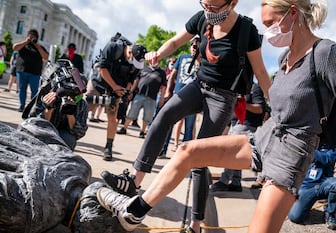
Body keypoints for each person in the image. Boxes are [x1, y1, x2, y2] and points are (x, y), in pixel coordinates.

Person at [97, 1, 336, 232]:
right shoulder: (285, 58)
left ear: (293, 13)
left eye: (270, 23)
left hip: (291, 153)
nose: (267, 32)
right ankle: (132, 212)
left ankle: (185, 218)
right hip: (263, 139)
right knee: (187, 151)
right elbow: (275, 100)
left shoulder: (327, 52)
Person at [101, 0, 271, 231]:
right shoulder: (201, 18)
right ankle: (134, 181)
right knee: (163, 116)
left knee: (198, 157)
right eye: (205, 5)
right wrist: (158, 54)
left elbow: (260, 71)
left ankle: (196, 223)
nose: (208, 11)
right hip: (199, 85)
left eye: (214, 7)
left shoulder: (246, 30)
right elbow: (174, 42)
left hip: (224, 96)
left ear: (232, 3)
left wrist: (277, 105)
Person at [88, 35, 146, 161]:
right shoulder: (113, 48)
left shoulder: (136, 62)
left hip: (116, 89)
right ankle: (71, 132)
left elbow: (131, 79)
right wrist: (115, 86)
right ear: (130, 52)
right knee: (83, 108)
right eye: (134, 60)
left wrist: (125, 90)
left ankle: (108, 147)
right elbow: (102, 69)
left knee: (112, 118)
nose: (135, 64)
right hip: (98, 84)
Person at [210, 83, 266, 192]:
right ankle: (236, 183)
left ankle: (224, 180)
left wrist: (243, 105)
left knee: (232, 153)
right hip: (234, 123)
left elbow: (259, 108)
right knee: (236, 155)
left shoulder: (254, 87)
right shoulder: (237, 87)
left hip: (246, 124)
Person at [159, 36, 201, 157]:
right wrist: (168, 90)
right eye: (193, 46)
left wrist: (199, 58)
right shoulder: (182, 57)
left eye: (197, 46)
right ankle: (163, 149)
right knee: (169, 121)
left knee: (189, 126)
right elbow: (172, 74)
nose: (195, 48)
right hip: (178, 93)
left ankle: (184, 155)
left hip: (194, 97)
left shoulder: (203, 60)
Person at [288, 143, 336, 230]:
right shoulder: (308, 138)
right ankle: (304, 205)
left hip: (324, 183)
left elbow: (327, 159)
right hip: (306, 185)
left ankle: (330, 213)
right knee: (295, 217)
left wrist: (308, 149)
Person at [116, 63, 167, 138]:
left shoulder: (161, 73)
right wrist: (131, 91)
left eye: (156, 60)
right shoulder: (143, 69)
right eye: (152, 60)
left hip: (152, 97)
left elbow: (163, 86)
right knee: (132, 112)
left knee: (148, 116)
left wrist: (162, 98)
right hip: (139, 94)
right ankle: (124, 128)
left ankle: (142, 132)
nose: (154, 62)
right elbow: (136, 81)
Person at [13, 29, 49, 112]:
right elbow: (15, 47)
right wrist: (26, 41)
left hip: (35, 73)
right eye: (30, 36)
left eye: (34, 37)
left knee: (35, 91)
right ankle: (22, 106)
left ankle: (32, 107)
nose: (32, 39)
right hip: (22, 71)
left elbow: (46, 57)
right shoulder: (23, 45)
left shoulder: (40, 47)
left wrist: (37, 45)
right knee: (22, 89)